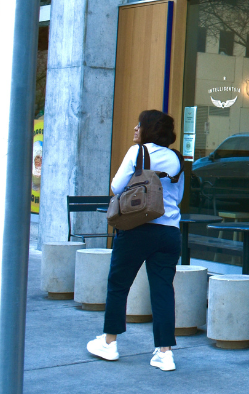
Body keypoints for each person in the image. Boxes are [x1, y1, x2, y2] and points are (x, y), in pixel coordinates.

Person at [86, 110, 185, 372]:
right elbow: (179, 194)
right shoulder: (177, 158)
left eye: (138, 124)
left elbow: (117, 187)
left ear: (147, 129)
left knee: (119, 284)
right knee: (163, 289)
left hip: (136, 229)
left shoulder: (137, 153)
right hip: (169, 232)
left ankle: (109, 342)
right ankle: (164, 353)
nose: (135, 128)